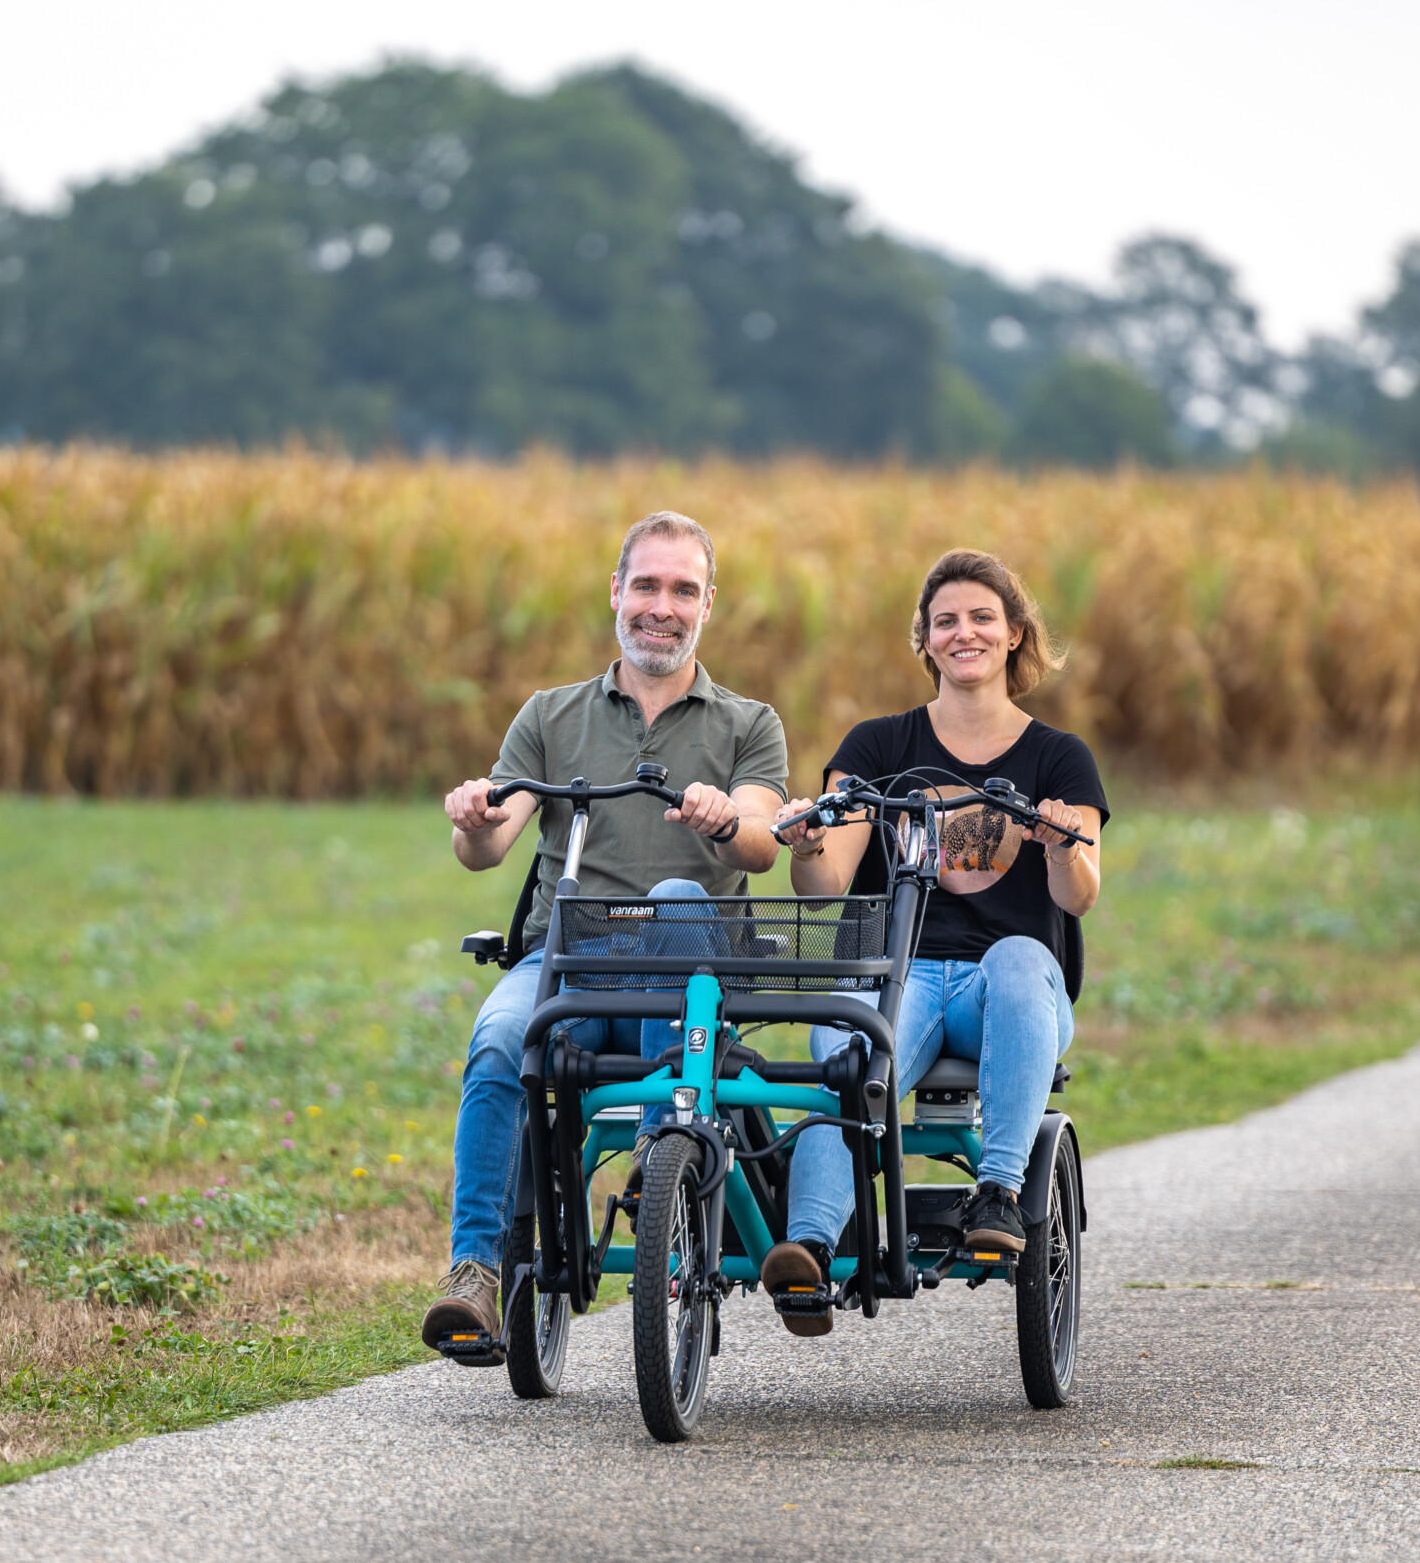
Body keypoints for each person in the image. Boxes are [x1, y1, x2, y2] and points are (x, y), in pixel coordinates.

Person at [423, 510, 789, 1353]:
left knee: (672, 890)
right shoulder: (551, 717)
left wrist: (724, 818)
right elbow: (486, 847)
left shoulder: (746, 723)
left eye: (684, 590)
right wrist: (473, 814)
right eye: (648, 586)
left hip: (684, 972)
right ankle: (474, 1274)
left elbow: (766, 843)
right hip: (569, 961)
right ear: (616, 593)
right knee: (496, 1047)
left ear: (707, 607)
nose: (663, 607)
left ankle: (668, 1185)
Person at [763, 547, 1106, 1334]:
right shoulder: (878, 748)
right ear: (923, 639)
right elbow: (823, 886)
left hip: (1007, 991)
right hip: (903, 975)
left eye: (982, 618)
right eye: (945, 621)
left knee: (1023, 954)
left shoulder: (1058, 757)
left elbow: (1078, 895)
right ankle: (809, 1246)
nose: (964, 634)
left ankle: (997, 1193)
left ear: (1015, 634)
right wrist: (808, 843)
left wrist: (1059, 842)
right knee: (848, 1047)